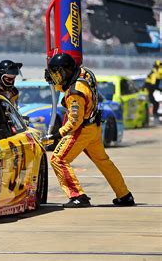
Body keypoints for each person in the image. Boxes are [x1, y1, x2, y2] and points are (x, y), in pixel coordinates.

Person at [43, 53, 135, 208]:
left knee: (58, 159)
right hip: (94, 126)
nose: (57, 78)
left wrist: (57, 135)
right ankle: (124, 195)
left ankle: (77, 196)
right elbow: (68, 82)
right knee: (103, 162)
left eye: (59, 74)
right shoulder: (85, 73)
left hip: (82, 129)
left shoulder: (75, 93)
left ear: (67, 71)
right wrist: (57, 80)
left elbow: (74, 121)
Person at [145, 60, 162, 125]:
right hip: (146, 92)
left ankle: (154, 118)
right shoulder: (154, 74)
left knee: (155, 104)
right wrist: (159, 89)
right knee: (154, 104)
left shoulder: (155, 73)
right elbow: (153, 86)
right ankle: (154, 119)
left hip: (149, 91)